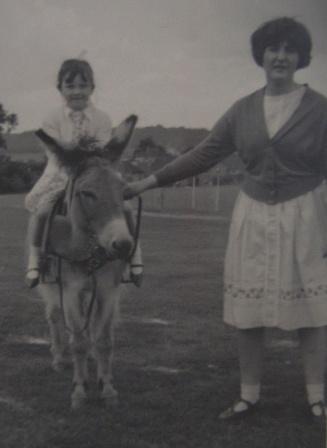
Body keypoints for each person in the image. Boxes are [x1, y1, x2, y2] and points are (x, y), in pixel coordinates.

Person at [124, 17, 327, 420]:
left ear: (302, 57)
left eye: (290, 49)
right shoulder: (243, 110)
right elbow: (203, 154)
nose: (281, 56)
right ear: (261, 55)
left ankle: (316, 397)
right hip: (252, 218)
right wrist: (146, 182)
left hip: (307, 216)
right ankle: (248, 395)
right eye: (273, 48)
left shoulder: (320, 110)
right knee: (249, 311)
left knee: (313, 310)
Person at [25, 58, 143, 288]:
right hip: (61, 172)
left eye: (82, 85)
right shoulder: (52, 118)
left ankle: (135, 255)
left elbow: (103, 153)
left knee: (126, 207)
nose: (77, 91)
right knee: (41, 212)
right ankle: (35, 258)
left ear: (92, 88)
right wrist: (70, 158)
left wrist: (91, 166)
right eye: (70, 86)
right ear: (60, 89)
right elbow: (55, 153)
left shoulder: (102, 119)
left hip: (96, 174)